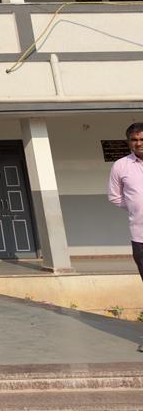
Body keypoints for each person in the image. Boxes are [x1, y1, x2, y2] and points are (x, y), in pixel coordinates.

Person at [107, 121, 143, 350]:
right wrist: (134, 207)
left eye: (142, 139)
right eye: (134, 140)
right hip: (140, 236)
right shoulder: (121, 166)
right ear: (128, 142)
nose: (139, 143)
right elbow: (114, 196)